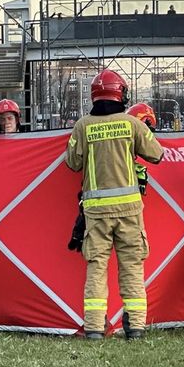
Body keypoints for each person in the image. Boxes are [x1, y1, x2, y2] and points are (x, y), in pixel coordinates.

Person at [65, 69, 163, 340]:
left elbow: (72, 162)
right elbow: (157, 154)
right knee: (132, 267)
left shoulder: (83, 125)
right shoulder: (132, 124)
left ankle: (94, 328)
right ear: (121, 94)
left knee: (96, 268)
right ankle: (136, 328)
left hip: (96, 212)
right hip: (130, 211)